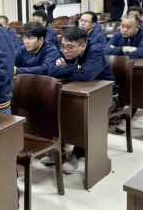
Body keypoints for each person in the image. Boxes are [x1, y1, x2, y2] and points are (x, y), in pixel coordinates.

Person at [49, 28, 119, 174]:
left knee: (84, 116)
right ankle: (59, 148)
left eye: (70, 47)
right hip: (76, 93)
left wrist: (66, 67)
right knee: (55, 110)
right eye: (63, 46)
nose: (65, 51)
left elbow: (86, 75)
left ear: (83, 45)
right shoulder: (65, 49)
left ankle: (77, 154)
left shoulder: (95, 51)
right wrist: (75, 67)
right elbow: (52, 71)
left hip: (105, 98)